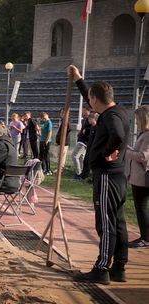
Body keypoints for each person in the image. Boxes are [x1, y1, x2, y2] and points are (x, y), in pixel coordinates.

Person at [69, 65, 129, 285]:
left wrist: (107, 153)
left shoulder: (111, 117)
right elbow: (92, 98)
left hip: (106, 175)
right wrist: (79, 80)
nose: (89, 103)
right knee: (118, 221)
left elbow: (118, 135)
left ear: (96, 99)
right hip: (119, 176)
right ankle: (119, 267)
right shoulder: (117, 110)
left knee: (105, 223)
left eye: (90, 99)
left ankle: (102, 268)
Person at [125, 105, 149, 248]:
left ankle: (145, 238)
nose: (136, 122)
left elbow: (143, 156)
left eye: (137, 119)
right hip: (138, 176)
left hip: (142, 178)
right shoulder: (143, 134)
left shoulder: (147, 135)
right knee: (141, 208)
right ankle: (145, 237)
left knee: (141, 208)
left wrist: (126, 152)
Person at [79, 112, 99, 181]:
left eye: (90, 119)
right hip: (89, 147)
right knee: (86, 161)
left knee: (92, 164)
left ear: (94, 119)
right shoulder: (92, 127)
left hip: (94, 149)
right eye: (88, 119)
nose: (89, 121)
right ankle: (83, 176)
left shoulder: (97, 128)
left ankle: (92, 178)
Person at [72, 108, 91, 180]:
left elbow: (93, 128)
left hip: (84, 142)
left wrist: (85, 131)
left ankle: (78, 173)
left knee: (74, 156)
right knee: (80, 158)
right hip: (81, 140)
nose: (82, 112)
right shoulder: (84, 120)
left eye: (84, 111)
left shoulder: (90, 120)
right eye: (82, 111)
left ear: (88, 111)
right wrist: (80, 132)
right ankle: (82, 174)